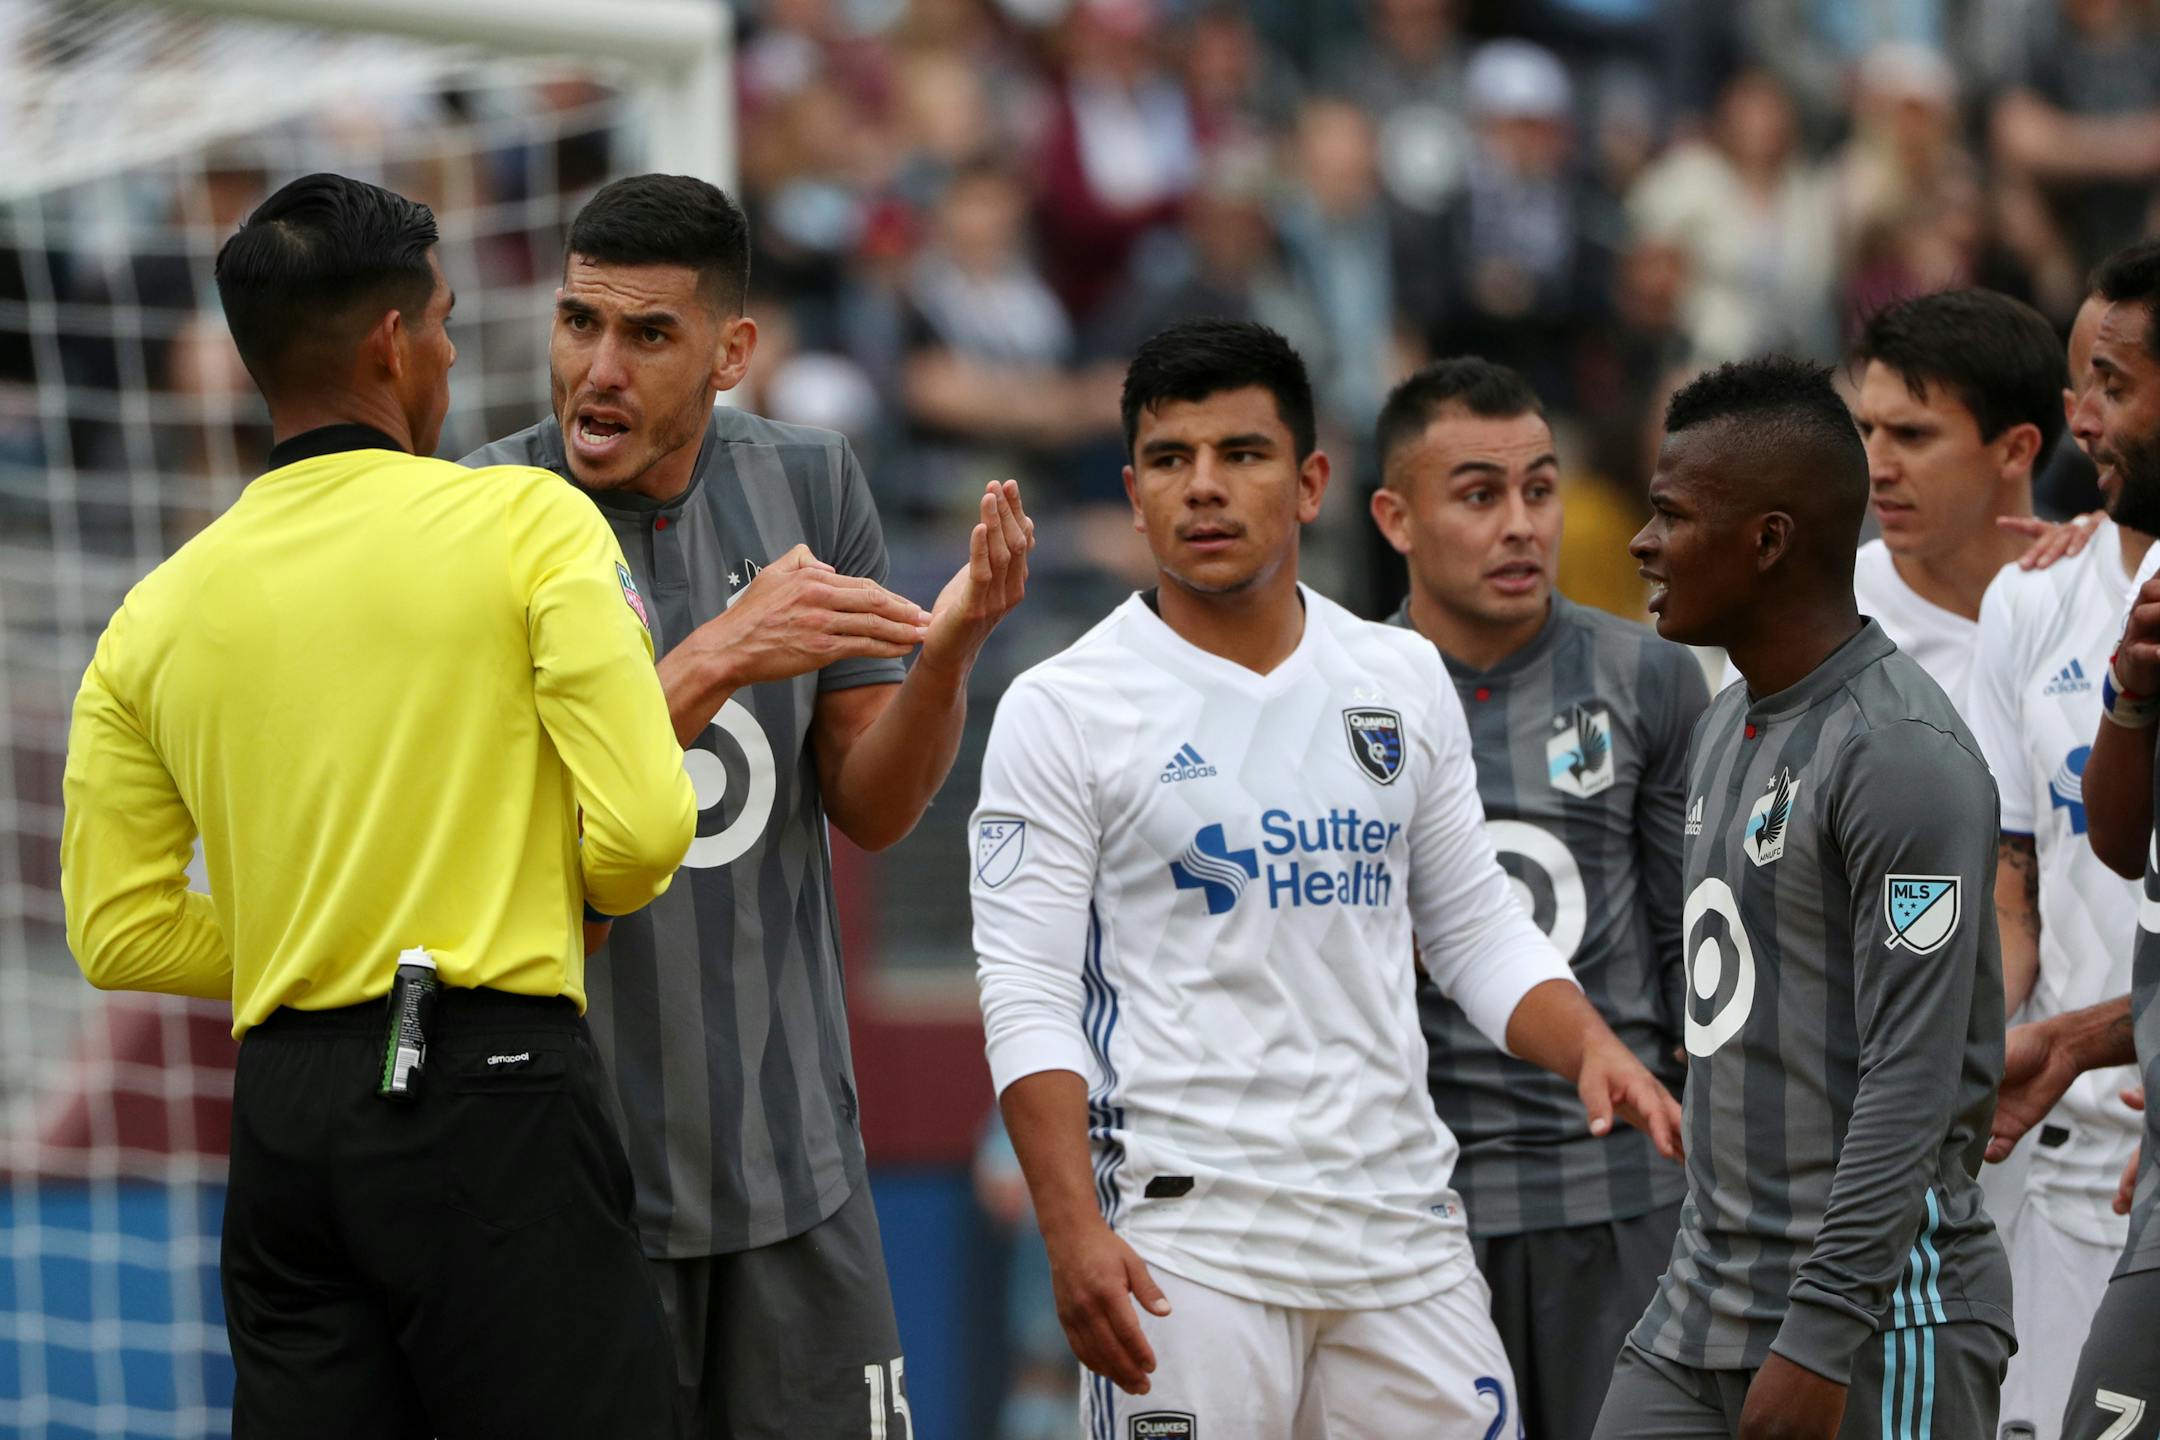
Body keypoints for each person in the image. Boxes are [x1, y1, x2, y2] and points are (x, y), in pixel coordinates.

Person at [58, 173, 696, 1437]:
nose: (455, 354)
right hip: (490, 1081)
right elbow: (641, 836)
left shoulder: (154, 612)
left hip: (288, 1113)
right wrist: (478, 897)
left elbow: (116, 931)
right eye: (448, 322)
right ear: (394, 342)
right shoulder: (529, 521)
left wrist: (332, 924)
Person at [970, 318, 1682, 1439]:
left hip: (1400, 1234)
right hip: (1189, 1248)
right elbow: (1026, 996)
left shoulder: (1396, 677)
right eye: (1171, 460)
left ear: (1310, 482)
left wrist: (1589, 1044)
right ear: (1134, 487)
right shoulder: (1062, 706)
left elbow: (1476, 931)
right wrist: (1070, 1230)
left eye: (1241, 454)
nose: (1203, 488)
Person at [462, 172, 1033, 1439]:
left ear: (731, 354)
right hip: (571, 1183)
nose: (599, 369)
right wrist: (717, 652)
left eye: (649, 335)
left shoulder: (814, 484)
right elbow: (493, 835)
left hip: (797, 1170)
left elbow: (872, 809)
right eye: (578, 323)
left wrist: (946, 656)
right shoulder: (473, 516)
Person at [1595, 356, 2012, 1440]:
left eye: (1672, 515)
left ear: (1769, 541)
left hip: (1874, 1323)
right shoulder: (1729, 719)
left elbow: (1916, 1078)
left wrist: (1823, 1329)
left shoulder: (1898, 755)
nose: (1643, 542)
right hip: (1701, 1311)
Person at [1367, 356, 1703, 1440]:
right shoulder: (1340, 692)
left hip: (1619, 1203)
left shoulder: (1648, 674)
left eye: (1540, 488)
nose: (1520, 524)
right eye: (1478, 495)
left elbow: (1690, 946)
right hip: (1411, 1212)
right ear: (1395, 517)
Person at [1963, 286, 2145, 1440]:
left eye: (2113, 385)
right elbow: (2012, 882)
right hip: (2069, 1158)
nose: (2085, 415)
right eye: (2082, 382)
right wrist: (1974, 1036)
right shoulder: (2033, 600)